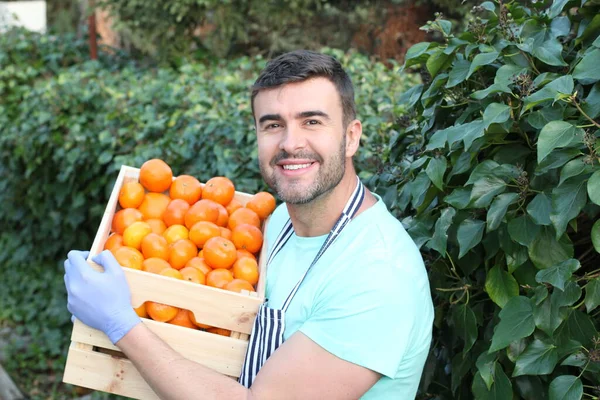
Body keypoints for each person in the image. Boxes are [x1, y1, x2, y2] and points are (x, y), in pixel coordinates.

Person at [64, 50, 434, 399]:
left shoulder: (378, 275)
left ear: (351, 136)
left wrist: (121, 325)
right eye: (273, 125)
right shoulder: (275, 223)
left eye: (312, 121)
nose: (291, 143)